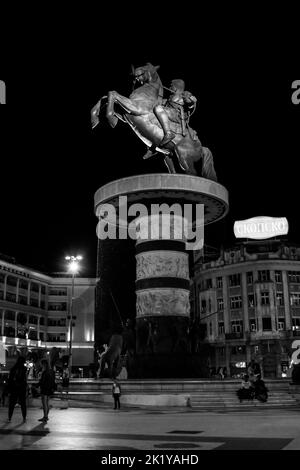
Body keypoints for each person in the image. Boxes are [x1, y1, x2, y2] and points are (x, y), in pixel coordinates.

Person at [7, 356, 28, 423]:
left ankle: (9, 417)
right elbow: (25, 379)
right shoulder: (24, 369)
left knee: (12, 404)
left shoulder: (13, 369)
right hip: (22, 388)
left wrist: (9, 389)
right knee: (23, 403)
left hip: (14, 388)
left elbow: (10, 380)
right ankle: (24, 417)